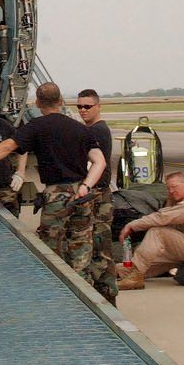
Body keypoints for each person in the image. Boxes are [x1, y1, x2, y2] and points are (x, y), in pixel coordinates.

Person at [0, 82, 106, 280]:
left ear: (38, 103)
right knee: (81, 250)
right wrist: (85, 186)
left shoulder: (36, 127)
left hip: (56, 195)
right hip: (82, 197)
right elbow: (100, 162)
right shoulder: (80, 129)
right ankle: (85, 290)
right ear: (61, 101)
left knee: (51, 253)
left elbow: (6, 148)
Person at [116, 171, 184, 289]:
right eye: (168, 188)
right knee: (148, 261)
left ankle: (134, 279)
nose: (171, 191)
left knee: (157, 233)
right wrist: (172, 198)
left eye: (174, 187)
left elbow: (162, 217)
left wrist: (132, 225)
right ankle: (118, 272)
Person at [76, 88, 116, 303]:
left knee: (101, 252)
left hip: (99, 196)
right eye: (79, 107)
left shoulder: (97, 132)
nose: (83, 110)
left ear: (98, 107)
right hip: (97, 195)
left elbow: (95, 165)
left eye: (87, 107)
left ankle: (107, 299)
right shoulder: (91, 129)